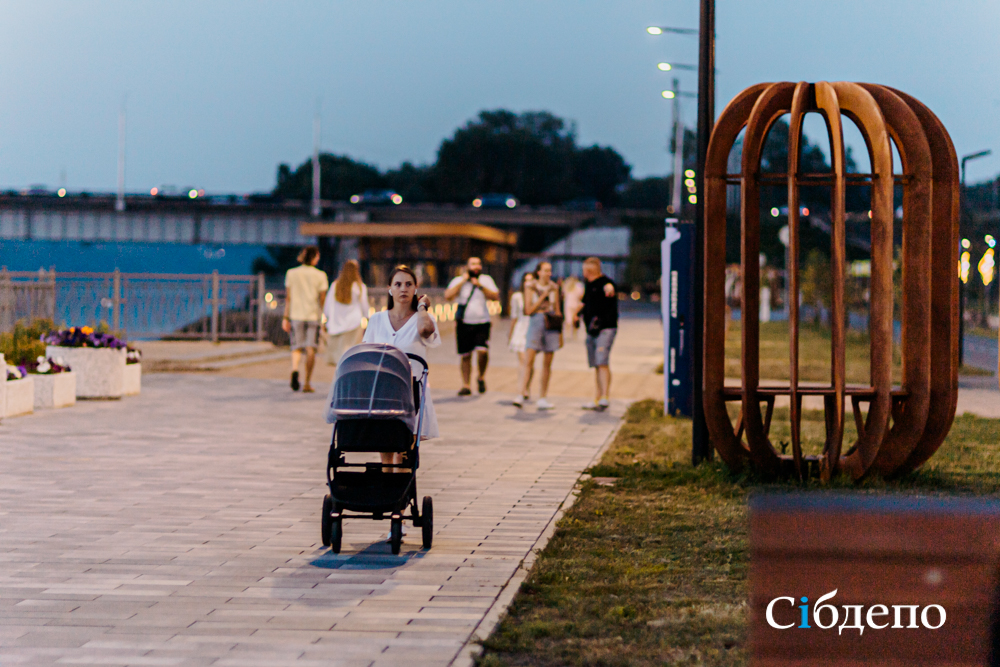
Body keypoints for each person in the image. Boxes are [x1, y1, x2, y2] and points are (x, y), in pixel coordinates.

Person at [360, 265, 441, 462]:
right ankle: (388, 483)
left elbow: (426, 331)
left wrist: (422, 307)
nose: (403, 289)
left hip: (412, 392)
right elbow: (367, 355)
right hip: (382, 391)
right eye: (398, 284)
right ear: (390, 289)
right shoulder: (377, 320)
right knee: (385, 445)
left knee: (405, 452)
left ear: (416, 289)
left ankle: (402, 487)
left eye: (408, 284)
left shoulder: (424, 319)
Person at [444, 257, 499, 395]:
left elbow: (495, 296)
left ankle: (481, 376)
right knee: (465, 355)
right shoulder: (459, 280)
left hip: (482, 321)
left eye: (479, 264)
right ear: (467, 266)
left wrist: (479, 285)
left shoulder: (485, 280)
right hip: (464, 322)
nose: (476, 267)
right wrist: (463, 281)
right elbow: (448, 296)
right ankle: (466, 385)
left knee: (482, 351)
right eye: (473, 264)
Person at [513, 261, 561, 410]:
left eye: (550, 271)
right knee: (529, 359)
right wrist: (543, 297)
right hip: (536, 321)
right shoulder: (531, 286)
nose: (548, 274)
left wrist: (560, 333)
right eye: (545, 270)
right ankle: (522, 393)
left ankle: (543, 396)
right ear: (538, 272)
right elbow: (528, 310)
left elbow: (557, 310)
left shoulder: (554, 287)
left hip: (551, 323)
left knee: (548, 362)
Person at [282, 246, 328, 393]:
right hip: (313, 315)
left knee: (296, 346)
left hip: (296, 315)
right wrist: (324, 316)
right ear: (314, 257)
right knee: (310, 349)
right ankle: (307, 382)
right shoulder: (320, 275)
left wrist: (285, 317)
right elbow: (322, 299)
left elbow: (288, 298)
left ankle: (295, 369)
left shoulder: (291, 273)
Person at [576, 257, 618, 411]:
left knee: (602, 361)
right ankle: (598, 396)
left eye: (584, 269)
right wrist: (576, 314)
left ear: (590, 270)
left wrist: (609, 289)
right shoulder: (589, 284)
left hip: (605, 328)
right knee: (596, 364)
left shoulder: (606, 283)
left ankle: (605, 397)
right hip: (591, 330)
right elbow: (585, 303)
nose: (583, 272)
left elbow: (610, 289)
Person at [323, 259, 368, 366]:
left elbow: (328, 304)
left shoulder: (335, 285)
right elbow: (364, 305)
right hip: (354, 323)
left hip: (337, 323)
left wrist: (326, 319)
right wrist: (367, 318)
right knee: (351, 354)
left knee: (338, 355)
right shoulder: (359, 287)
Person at [507, 272, 536, 403]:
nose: (528, 283)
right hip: (520, 329)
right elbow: (514, 316)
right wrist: (510, 333)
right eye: (526, 280)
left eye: (531, 280)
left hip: (533, 328)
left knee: (530, 363)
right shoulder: (517, 297)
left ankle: (526, 387)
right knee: (524, 362)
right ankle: (521, 390)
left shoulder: (537, 295)